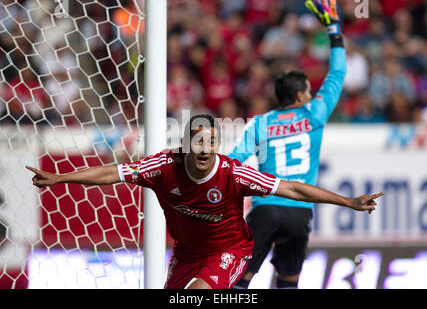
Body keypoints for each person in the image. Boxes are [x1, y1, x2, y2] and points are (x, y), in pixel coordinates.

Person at [26, 114, 383, 289]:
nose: (206, 149)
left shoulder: (234, 174)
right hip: (186, 253)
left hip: (230, 250)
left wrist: (348, 202)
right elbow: (113, 173)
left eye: (212, 142)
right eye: (199, 142)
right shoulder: (164, 166)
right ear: (186, 144)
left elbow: (293, 189)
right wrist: (60, 178)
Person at [228, 0, 349, 289]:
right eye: (308, 91)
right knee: (287, 283)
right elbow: (338, 73)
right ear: (298, 97)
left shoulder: (261, 123)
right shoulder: (314, 114)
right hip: (299, 212)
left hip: (265, 208)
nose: (311, 95)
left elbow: (232, 162)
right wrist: (333, 29)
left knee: (238, 283)